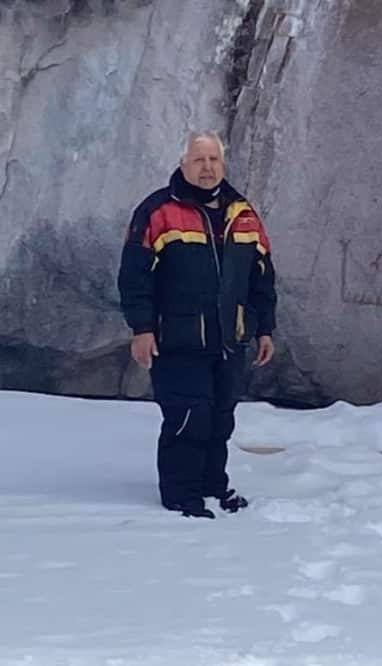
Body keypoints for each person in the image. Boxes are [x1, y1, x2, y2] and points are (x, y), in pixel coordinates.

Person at [117, 131, 277, 518]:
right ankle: (180, 495)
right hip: (177, 339)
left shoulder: (244, 214)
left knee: (221, 417)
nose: (207, 168)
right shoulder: (158, 212)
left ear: (223, 164)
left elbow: (263, 277)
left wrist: (265, 328)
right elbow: (134, 275)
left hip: (229, 339)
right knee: (190, 416)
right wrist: (141, 328)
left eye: (213, 160)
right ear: (183, 164)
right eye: (198, 160)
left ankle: (212, 486)